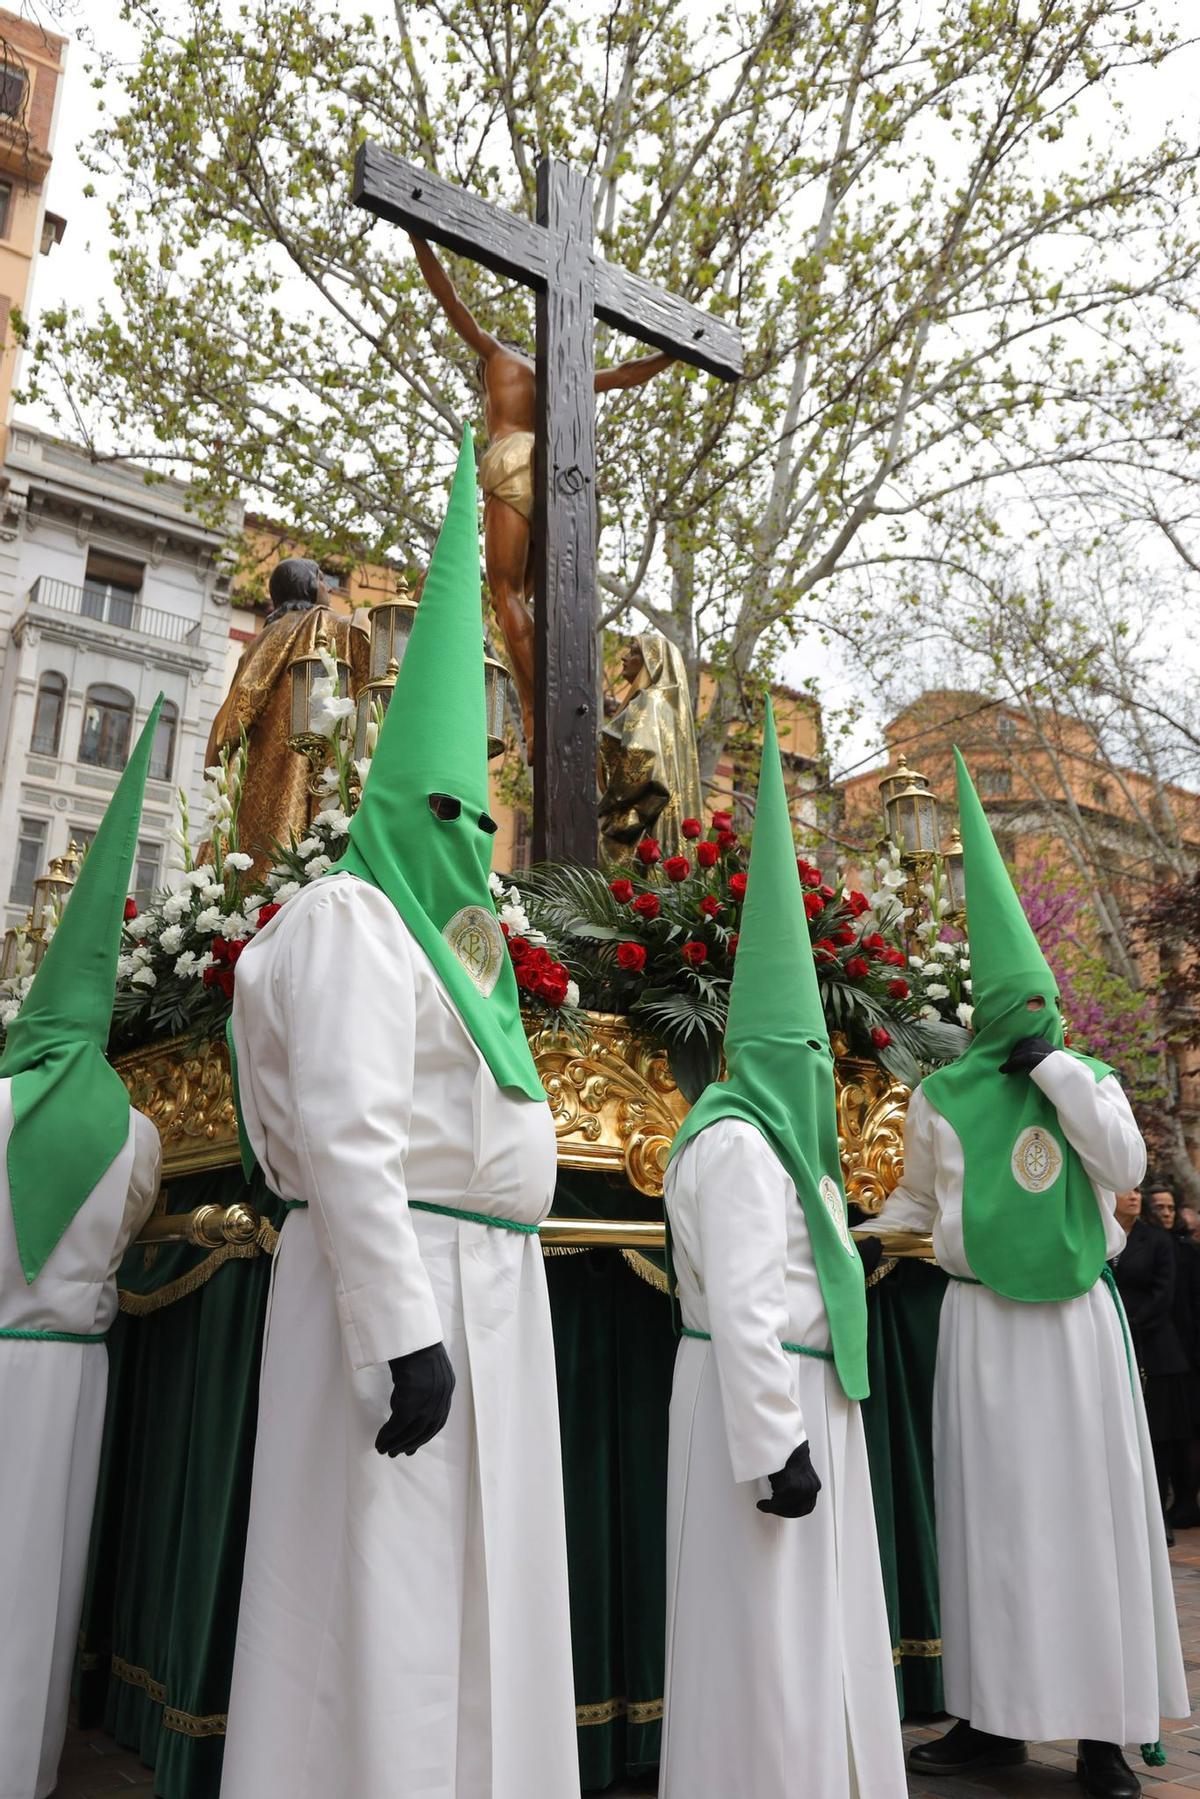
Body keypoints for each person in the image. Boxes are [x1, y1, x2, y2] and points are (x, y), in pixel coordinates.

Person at [219, 428, 579, 1799]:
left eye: (477, 814)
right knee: (382, 1596)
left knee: (479, 1598)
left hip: (487, 1286)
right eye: (451, 809)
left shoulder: (442, 936)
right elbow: (349, 1135)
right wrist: (401, 1329)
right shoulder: (356, 919)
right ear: (393, 804)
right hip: (409, 1292)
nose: (472, 836)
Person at [867, 750, 1187, 1799]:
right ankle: (991, 1715)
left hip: (1075, 1328)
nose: (1032, 1010)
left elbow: (1127, 1167)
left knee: (1084, 1519)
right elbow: (917, 1205)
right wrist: (850, 1231)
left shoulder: (1083, 1078)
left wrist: (1052, 1063)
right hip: (981, 1324)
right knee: (988, 1517)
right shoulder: (939, 1094)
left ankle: (1101, 1731)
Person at [659, 703, 906, 1799]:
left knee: (812, 1632)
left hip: (811, 1407)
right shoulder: (735, 1148)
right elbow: (749, 1309)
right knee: (762, 1640)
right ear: (762, 1052)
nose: (822, 1066)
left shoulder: (788, 1153)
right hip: (765, 1417)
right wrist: (776, 1446)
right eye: (804, 1047)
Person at [0, 703, 164, 1799]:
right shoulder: (140, 1129)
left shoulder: (2, 1096)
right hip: (69, 1376)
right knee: (39, 1579)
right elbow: (137, 1221)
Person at [408, 234, 673, 753]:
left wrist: (417, 236)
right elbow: (624, 375)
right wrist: (677, 350)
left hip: (510, 460)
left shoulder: (494, 356)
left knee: (505, 593)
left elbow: (449, 300)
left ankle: (535, 707)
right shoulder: (558, 376)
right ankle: (564, 696)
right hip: (555, 472)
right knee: (538, 597)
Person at [205, 556, 370, 876]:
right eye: (322, 579)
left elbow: (238, 706)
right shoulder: (328, 624)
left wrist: (216, 758)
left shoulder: (261, 641)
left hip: (259, 764)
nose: (328, 587)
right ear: (306, 586)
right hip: (308, 758)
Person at [1112, 1187, 1192, 1542]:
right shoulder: (1100, 1235)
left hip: (1154, 1350)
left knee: (1158, 1440)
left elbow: (1165, 1294)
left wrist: (1125, 1322)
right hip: (1111, 1344)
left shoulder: (1157, 1241)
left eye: (1137, 1190)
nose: (1133, 1196)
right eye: (1124, 1189)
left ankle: (1159, 1519)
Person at [598, 631, 705, 859]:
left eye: (634, 652)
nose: (624, 658)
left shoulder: (648, 701)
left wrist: (606, 803)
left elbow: (639, 759)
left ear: (652, 662)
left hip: (639, 830)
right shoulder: (673, 715)